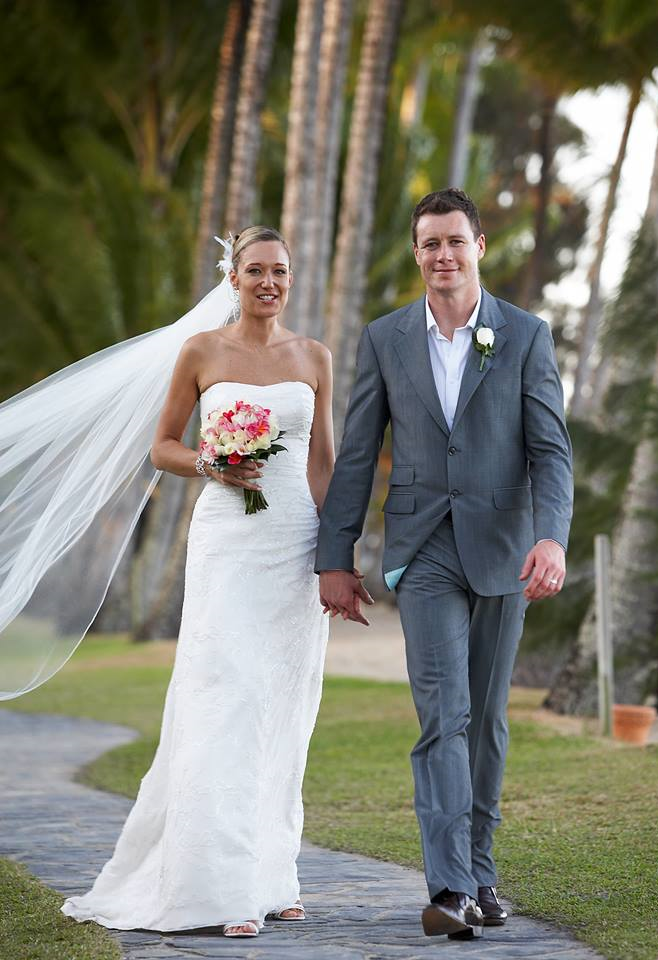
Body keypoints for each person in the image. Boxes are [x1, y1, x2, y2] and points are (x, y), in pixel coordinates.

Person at [58, 226, 335, 937]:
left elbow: (322, 463)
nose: (269, 282)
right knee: (225, 698)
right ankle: (219, 886)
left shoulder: (314, 356)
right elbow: (163, 447)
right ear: (232, 277)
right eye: (256, 270)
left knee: (285, 705)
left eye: (280, 271)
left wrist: (336, 554)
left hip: (295, 543)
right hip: (228, 540)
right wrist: (212, 464)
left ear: (291, 279)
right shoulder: (201, 351)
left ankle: (275, 876)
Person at [316, 189, 573, 941]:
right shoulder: (385, 338)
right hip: (422, 549)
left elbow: (551, 451)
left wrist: (551, 537)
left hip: (504, 549)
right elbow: (357, 453)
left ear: (479, 247)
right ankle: (451, 887)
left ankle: (482, 874)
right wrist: (336, 556)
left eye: (455, 241)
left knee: (485, 721)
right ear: (417, 253)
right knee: (443, 717)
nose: (443, 255)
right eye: (429, 243)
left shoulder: (526, 335)